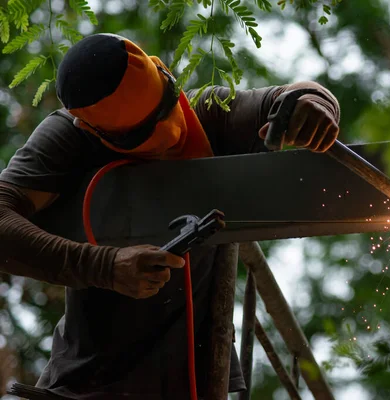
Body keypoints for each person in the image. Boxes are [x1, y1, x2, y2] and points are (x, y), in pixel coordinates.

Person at [0, 33, 340, 399]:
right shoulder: (67, 138)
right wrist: (105, 266)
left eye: (167, 105)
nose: (174, 130)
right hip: (87, 386)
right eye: (144, 132)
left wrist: (313, 105)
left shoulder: (208, 112)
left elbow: (289, 97)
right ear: (90, 130)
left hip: (199, 383)